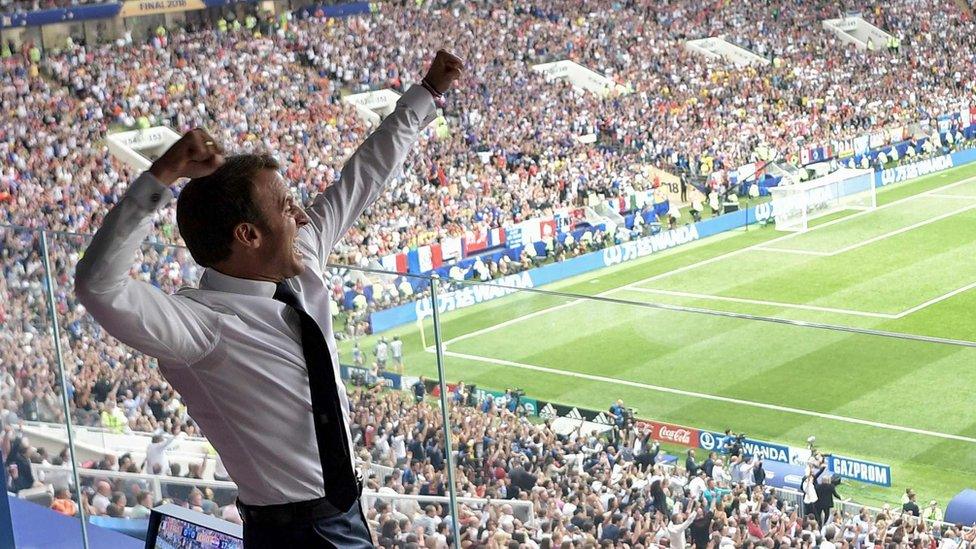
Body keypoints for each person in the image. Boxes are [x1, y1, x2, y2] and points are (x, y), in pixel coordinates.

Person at [75, 49, 463, 548]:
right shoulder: (200, 327)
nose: (301, 216)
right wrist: (161, 175)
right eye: (285, 207)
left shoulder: (301, 261)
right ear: (248, 234)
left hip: (347, 511)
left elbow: (363, 176)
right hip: (293, 535)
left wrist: (427, 94)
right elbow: (97, 284)